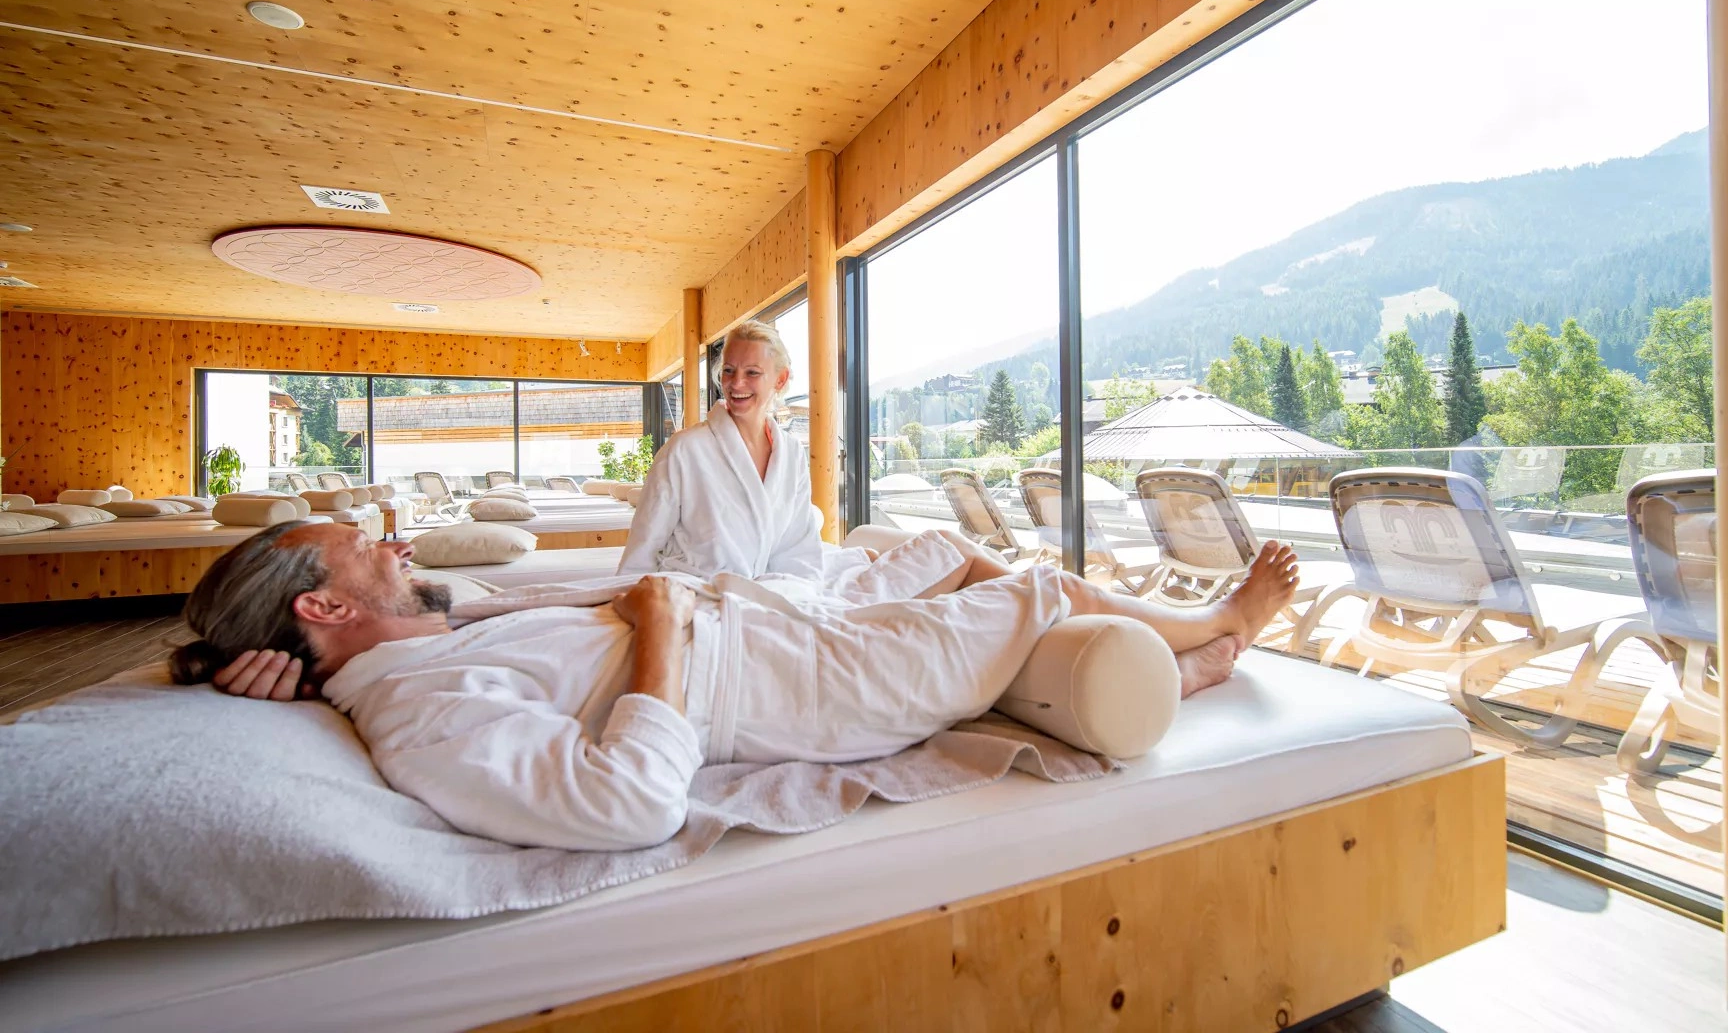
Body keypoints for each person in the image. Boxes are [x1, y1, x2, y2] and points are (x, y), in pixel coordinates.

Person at [178, 522, 1301, 852]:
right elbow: (625, 805)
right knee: (1042, 587)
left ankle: (1174, 653)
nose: (393, 544)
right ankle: (1215, 637)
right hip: (807, 682)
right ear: (324, 609)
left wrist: (280, 674)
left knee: (942, 549)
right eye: (363, 549)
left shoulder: (425, 641)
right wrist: (665, 631)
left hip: (780, 618)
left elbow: (453, 620)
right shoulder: (420, 711)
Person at [618, 319, 826, 586]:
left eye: (752, 373)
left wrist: (802, 595)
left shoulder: (792, 454)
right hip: (689, 594)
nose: (736, 383)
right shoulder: (685, 449)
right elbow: (644, 545)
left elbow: (799, 547)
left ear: (780, 379)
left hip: (759, 595)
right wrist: (633, 599)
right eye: (729, 370)